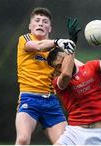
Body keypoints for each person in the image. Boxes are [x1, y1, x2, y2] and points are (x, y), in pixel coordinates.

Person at [47, 17, 101, 145]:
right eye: (58, 66)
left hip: (96, 135)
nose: (62, 65)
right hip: (73, 133)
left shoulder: (91, 67)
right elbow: (67, 74)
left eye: (63, 60)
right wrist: (72, 43)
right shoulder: (59, 83)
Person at [15, 7, 76, 145]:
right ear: (30, 26)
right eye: (37, 20)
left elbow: (76, 64)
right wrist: (57, 42)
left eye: (45, 21)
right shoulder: (25, 39)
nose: (41, 23)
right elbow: (38, 46)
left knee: (66, 143)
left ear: (50, 28)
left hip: (51, 102)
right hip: (29, 99)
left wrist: (99, 73)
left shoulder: (57, 49)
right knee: (23, 139)